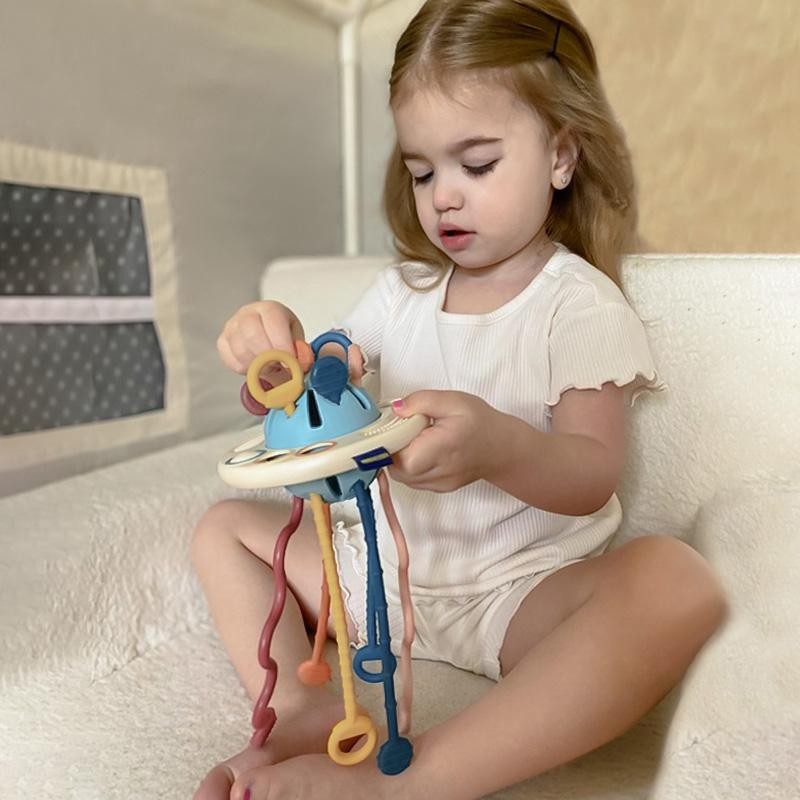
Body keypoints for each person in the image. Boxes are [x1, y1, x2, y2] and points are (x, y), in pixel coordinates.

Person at [192, 1, 727, 798]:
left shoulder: (576, 304)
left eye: (476, 166)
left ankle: (413, 780)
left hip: (517, 596)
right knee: (224, 528)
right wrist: (273, 352)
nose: (443, 196)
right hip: (376, 577)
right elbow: (327, 371)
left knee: (676, 583)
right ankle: (300, 708)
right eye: (422, 172)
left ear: (560, 155)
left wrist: (497, 446)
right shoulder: (402, 292)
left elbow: (592, 472)